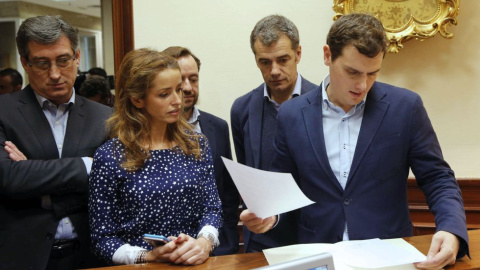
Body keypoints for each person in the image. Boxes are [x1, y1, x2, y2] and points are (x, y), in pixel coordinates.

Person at [241, 13, 469, 269]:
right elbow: (281, 194)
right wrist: (270, 217)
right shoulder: (292, 115)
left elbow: (437, 178)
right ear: (327, 55)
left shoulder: (406, 108)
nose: (362, 85)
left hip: (389, 258)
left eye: (373, 73)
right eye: (352, 72)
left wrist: (451, 229)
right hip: (318, 258)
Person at [88, 48, 222, 266]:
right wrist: (148, 256)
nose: (177, 100)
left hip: (195, 264)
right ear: (138, 100)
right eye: (164, 94)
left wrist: (204, 243)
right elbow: (102, 238)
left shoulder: (196, 144)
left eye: (178, 90)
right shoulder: (110, 156)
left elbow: (212, 209)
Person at [0, 15, 112, 270]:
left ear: (77, 57)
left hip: (91, 256)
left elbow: (115, 186)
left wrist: (35, 178)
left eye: (63, 61)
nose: (54, 74)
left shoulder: (105, 118)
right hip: (22, 257)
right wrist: (87, 166)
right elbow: (7, 177)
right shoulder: (3, 112)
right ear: (25, 63)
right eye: (42, 63)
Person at [230, 14, 317, 253]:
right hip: (261, 239)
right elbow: (248, 170)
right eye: (265, 62)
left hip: (311, 236)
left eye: (283, 59)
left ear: (298, 54)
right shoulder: (242, 109)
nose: (275, 70)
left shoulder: (322, 104)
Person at [163, 46, 240, 255]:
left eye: (193, 79)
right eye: (181, 81)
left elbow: (228, 193)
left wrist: (228, 242)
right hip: (170, 249)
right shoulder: (151, 136)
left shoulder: (217, 127)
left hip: (217, 249)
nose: (188, 87)